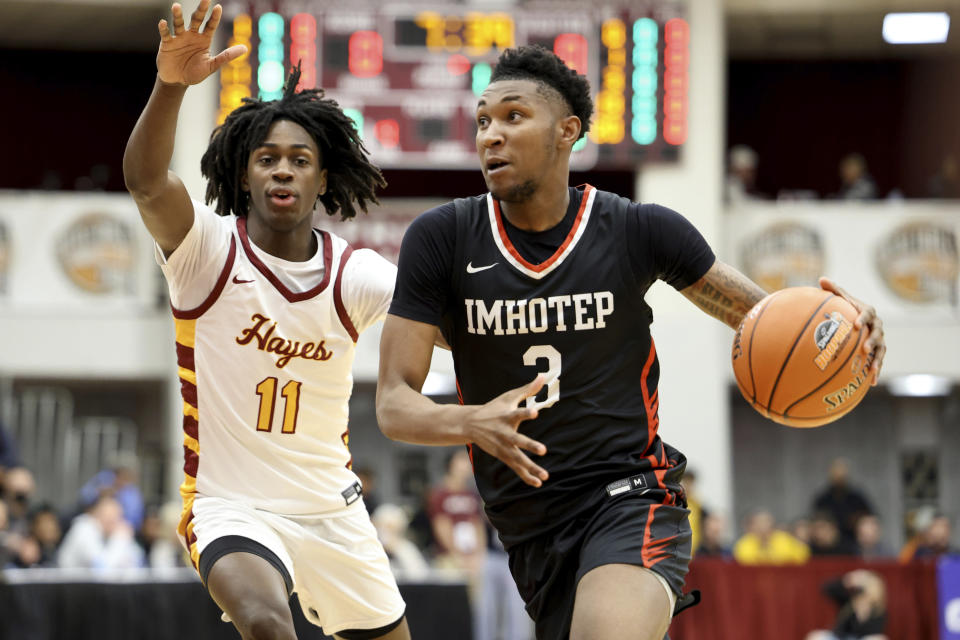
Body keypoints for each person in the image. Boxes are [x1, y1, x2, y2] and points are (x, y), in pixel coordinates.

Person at [375, 45, 887, 640]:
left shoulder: (637, 229)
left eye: (513, 116)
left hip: (629, 496)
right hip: (531, 530)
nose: (492, 134)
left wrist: (849, 332)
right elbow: (393, 402)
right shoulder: (443, 239)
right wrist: (472, 421)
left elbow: (767, 318)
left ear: (568, 131)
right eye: (483, 120)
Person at [122, 2, 408, 638]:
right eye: (267, 158)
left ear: (322, 177)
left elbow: (444, 320)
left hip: (332, 510)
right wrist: (169, 86)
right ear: (243, 176)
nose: (283, 168)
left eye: (300, 159)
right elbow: (145, 182)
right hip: (231, 507)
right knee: (264, 622)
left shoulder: (355, 274)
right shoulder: (206, 251)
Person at [57, 495, 144, 570]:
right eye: (108, 516)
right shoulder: (84, 528)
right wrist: (120, 539)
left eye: (116, 517)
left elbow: (137, 563)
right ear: (96, 514)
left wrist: (126, 540)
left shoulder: (111, 534)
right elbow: (102, 569)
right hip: (64, 586)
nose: (113, 521)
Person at [804, 570, 888, 640]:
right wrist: (848, 580)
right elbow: (826, 589)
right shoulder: (848, 601)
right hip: (840, 637)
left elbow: (874, 633)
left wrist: (863, 612)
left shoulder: (879, 610)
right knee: (815, 636)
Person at [812, 458, 874, 548]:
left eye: (842, 477)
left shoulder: (856, 498)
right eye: (836, 476)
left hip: (854, 543)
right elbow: (815, 518)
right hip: (825, 544)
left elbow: (869, 517)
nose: (839, 479)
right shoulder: (823, 499)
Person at [733, 509, 810, 566]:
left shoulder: (784, 538)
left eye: (766, 522)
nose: (763, 526)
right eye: (759, 523)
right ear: (753, 526)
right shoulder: (745, 542)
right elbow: (744, 560)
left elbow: (802, 554)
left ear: (772, 524)